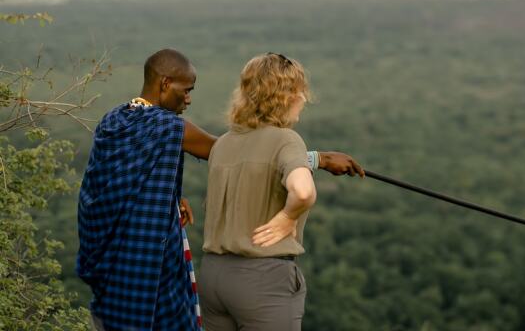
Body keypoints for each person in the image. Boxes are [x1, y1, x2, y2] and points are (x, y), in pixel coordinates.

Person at [76, 49, 363, 330]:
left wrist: (170, 198)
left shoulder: (113, 121)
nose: (188, 99)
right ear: (165, 84)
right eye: (186, 90)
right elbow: (231, 153)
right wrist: (317, 160)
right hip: (168, 264)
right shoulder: (167, 126)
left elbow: (108, 183)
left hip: (141, 264)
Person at [199, 52, 349, 330]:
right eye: (299, 91)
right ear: (285, 96)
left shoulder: (223, 143)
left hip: (213, 277)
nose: (304, 98)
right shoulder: (287, 140)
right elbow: (303, 192)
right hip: (261, 280)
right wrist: (288, 218)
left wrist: (320, 159)